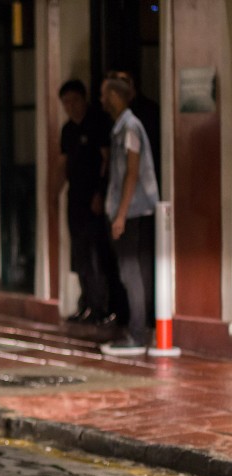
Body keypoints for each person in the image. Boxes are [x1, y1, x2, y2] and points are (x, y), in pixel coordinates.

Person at [100, 76, 159, 355]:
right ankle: (141, 327)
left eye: (104, 94)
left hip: (133, 210)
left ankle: (137, 332)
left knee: (131, 270)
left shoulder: (129, 128)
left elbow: (132, 173)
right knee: (139, 269)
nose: (100, 100)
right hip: (136, 209)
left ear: (114, 96)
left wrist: (120, 215)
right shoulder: (124, 127)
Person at [58, 79, 123, 325]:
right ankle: (86, 303)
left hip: (94, 196)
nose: (70, 106)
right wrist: (54, 192)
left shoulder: (98, 123)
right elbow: (62, 164)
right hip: (75, 196)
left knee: (99, 251)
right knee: (80, 253)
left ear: (84, 99)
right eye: (66, 103)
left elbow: (107, 159)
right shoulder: (67, 131)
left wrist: (100, 190)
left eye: (74, 100)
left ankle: (105, 306)